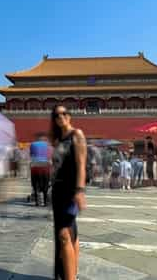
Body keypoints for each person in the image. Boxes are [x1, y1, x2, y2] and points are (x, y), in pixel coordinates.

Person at [50, 105, 87, 280]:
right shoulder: (58, 140)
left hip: (71, 191)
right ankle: (72, 271)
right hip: (58, 192)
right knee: (71, 232)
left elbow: (81, 165)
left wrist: (80, 190)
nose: (61, 117)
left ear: (70, 116)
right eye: (57, 115)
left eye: (64, 113)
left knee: (64, 235)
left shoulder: (77, 134)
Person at [30, 133, 52, 206]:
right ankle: (45, 202)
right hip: (45, 165)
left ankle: (37, 202)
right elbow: (49, 156)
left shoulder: (32, 144)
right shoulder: (48, 145)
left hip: (34, 165)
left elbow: (31, 155)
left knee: (35, 184)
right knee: (46, 184)